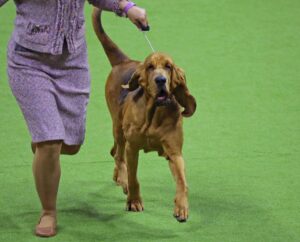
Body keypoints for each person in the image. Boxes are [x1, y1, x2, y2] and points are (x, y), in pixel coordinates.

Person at [0, 0, 148, 237]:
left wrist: (126, 7)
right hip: (28, 63)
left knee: (71, 145)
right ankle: (48, 211)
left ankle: (44, 147)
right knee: (51, 140)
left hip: (72, 65)